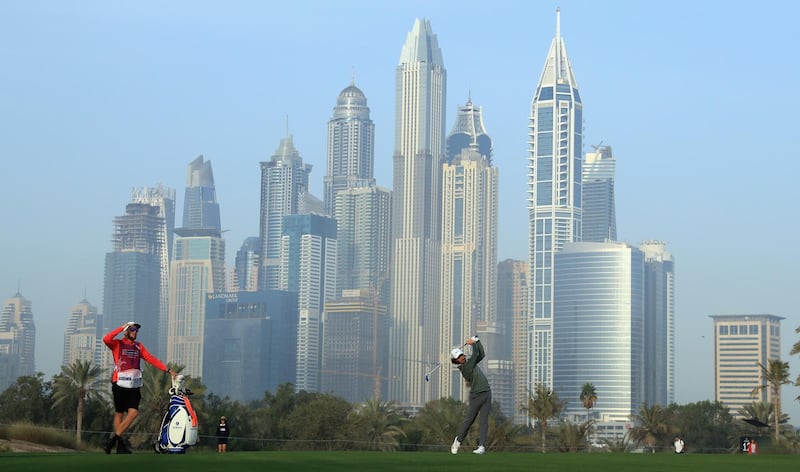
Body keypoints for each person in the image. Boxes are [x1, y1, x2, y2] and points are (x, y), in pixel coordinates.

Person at [103, 321, 176, 454]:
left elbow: (150, 358)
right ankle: (120, 446)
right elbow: (106, 338)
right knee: (119, 413)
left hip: (134, 385)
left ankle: (114, 439)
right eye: (132, 329)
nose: (135, 332)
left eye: (136, 330)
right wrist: (121, 327)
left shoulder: (138, 346)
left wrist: (168, 370)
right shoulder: (118, 344)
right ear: (126, 331)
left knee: (134, 413)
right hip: (119, 383)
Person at [450, 335, 491, 455]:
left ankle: (482, 446)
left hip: (487, 394)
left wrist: (477, 342)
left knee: (484, 421)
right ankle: (458, 441)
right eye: (459, 357)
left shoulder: (470, 363)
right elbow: (475, 354)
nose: (462, 357)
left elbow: (481, 354)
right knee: (469, 421)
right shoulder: (465, 367)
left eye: (461, 355)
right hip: (476, 397)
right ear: (456, 361)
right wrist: (473, 343)